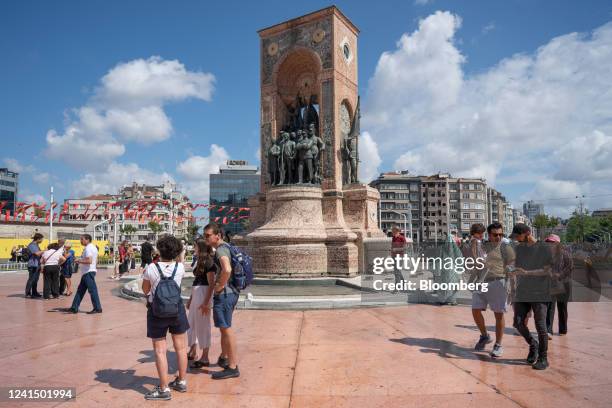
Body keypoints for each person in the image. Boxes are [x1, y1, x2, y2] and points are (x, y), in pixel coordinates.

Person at [142, 235, 189, 400]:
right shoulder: (180, 267)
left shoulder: (151, 268)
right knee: (181, 348)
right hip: (177, 310)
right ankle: (181, 381)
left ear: (159, 250)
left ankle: (164, 389)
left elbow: (146, 290)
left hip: (157, 312)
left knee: (160, 350)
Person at [510, 223, 553, 370]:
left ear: (527, 233)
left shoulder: (544, 248)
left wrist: (527, 273)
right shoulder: (520, 249)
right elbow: (517, 269)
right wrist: (513, 289)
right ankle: (533, 344)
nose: (516, 239)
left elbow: (547, 271)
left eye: (518, 236)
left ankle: (543, 358)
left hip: (540, 292)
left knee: (540, 326)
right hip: (523, 291)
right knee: (518, 323)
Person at [471, 222, 515, 358]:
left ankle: (498, 344)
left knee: (499, 314)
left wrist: (512, 285)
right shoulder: (482, 245)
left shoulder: (505, 247)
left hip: (498, 281)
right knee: (475, 310)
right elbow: (474, 257)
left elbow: (512, 264)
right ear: (488, 235)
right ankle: (485, 336)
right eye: (495, 235)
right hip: (482, 281)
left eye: (501, 234)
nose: (499, 237)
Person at [204, 223, 240, 379]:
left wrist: (219, 286)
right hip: (231, 293)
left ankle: (232, 366)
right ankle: (224, 357)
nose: (206, 238)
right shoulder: (226, 246)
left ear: (217, 235)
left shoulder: (220, 249)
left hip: (225, 295)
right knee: (225, 327)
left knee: (226, 329)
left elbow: (227, 269)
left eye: (208, 235)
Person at [186, 238, 216, 368]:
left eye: (195, 246)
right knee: (191, 323)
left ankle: (205, 356)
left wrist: (206, 302)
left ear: (201, 247)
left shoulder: (209, 262)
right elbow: (197, 280)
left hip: (203, 294)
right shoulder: (200, 261)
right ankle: (193, 350)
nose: (194, 248)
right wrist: (191, 299)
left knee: (203, 326)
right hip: (197, 293)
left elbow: (211, 284)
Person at [65, 234, 102, 314]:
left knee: (92, 290)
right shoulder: (93, 247)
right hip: (88, 272)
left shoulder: (88, 248)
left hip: (88, 272)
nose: (80, 241)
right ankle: (74, 307)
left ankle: (97, 308)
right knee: (80, 290)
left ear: (87, 239)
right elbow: (95, 260)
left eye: (82, 239)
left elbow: (89, 261)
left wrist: (78, 261)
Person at [545, 234, 573, 336]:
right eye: (548, 242)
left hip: (564, 283)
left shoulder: (566, 254)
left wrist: (559, 275)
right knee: (550, 307)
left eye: (552, 242)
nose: (550, 244)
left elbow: (569, 267)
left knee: (562, 307)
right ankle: (548, 330)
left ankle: (563, 329)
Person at [25, 233, 44, 298]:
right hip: (32, 265)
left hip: (37, 264)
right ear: (38, 239)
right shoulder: (32, 245)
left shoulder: (36, 245)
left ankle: (34, 292)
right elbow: (37, 253)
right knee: (31, 279)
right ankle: (27, 293)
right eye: (41, 239)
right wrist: (45, 250)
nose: (42, 240)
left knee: (35, 279)